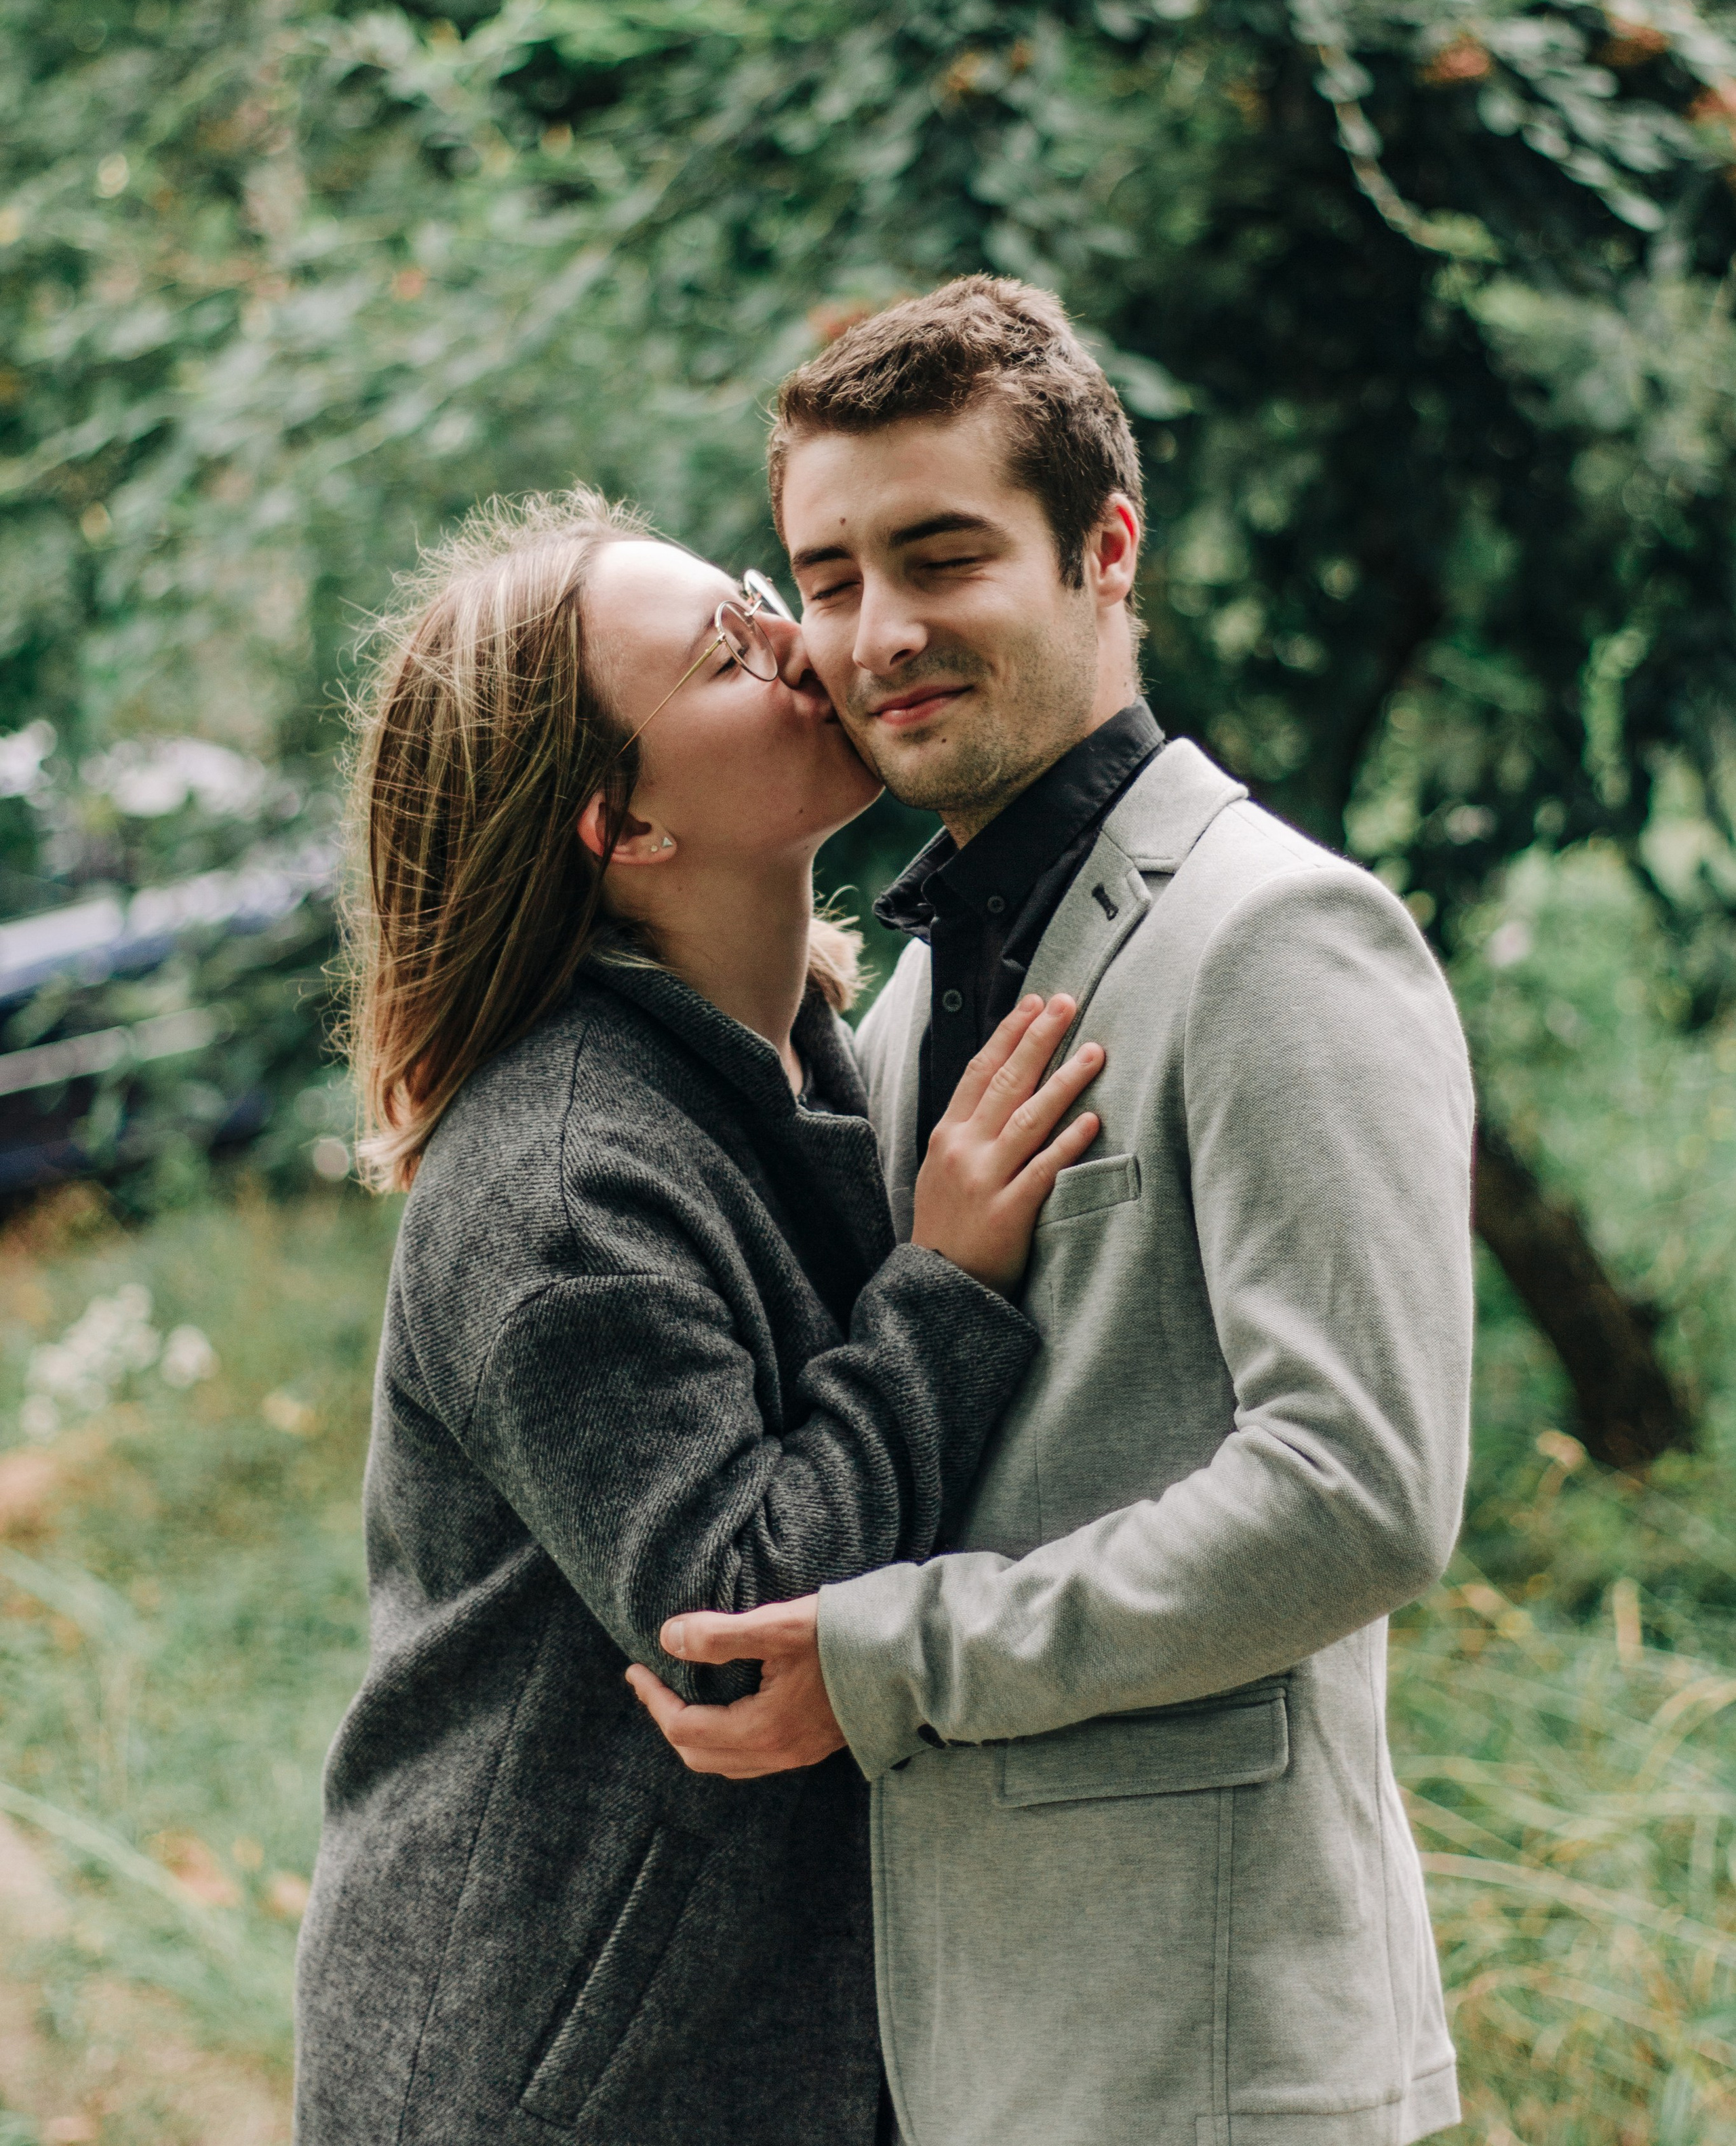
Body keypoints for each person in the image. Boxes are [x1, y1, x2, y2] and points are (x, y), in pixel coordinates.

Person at [627, 279, 1478, 2146]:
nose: (880, 631)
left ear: (1106, 547)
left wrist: (893, 1657)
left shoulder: (1278, 938)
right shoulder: (920, 996)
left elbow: (1360, 1492)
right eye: (828, 576)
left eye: (943, 555)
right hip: (984, 2055)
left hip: (1222, 2056)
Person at [291, 487, 1110, 2146]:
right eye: (723, 653)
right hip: (550, 2075)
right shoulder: (564, 1180)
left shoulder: (800, 1058)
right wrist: (940, 1293)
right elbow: (730, 1630)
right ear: (623, 825)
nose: (799, 645)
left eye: (752, 599)